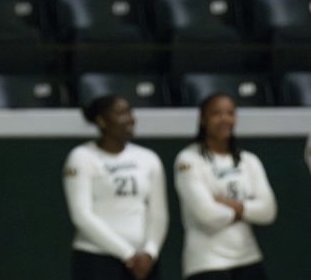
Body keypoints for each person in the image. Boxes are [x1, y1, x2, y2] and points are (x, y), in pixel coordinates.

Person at [62, 94, 169, 280]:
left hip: (144, 263)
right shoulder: (81, 157)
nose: (130, 119)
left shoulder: (148, 158)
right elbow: (81, 216)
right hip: (97, 258)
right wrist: (127, 254)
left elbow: (159, 214)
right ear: (101, 121)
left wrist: (150, 252)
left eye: (130, 112)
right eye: (121, 113)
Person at [174, 92, 277, 280]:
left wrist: (231, 205)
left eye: (230, 113)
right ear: (203, 120)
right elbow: (206, 215)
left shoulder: (249, 160)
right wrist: (247, 210)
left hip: (248, 258)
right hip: (206, 262)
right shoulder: (188, 160)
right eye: (216, 114)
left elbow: (268, 211)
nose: (225, 119)